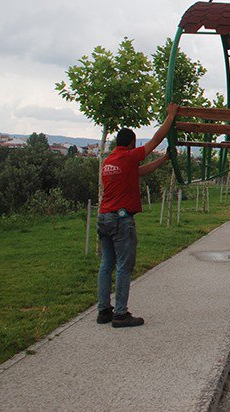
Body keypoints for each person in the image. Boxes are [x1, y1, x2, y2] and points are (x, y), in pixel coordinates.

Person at [96, 103, 178, 328]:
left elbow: (140, 172)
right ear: (131, 143)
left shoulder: (110, 161)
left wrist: (163, 161)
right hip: (121, 220)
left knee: (107, 264)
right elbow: (156, 140)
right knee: (124, 266)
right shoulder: (128, 157)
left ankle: (104, 310)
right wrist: (170, 116)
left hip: (103, 218)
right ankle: (120, 314)